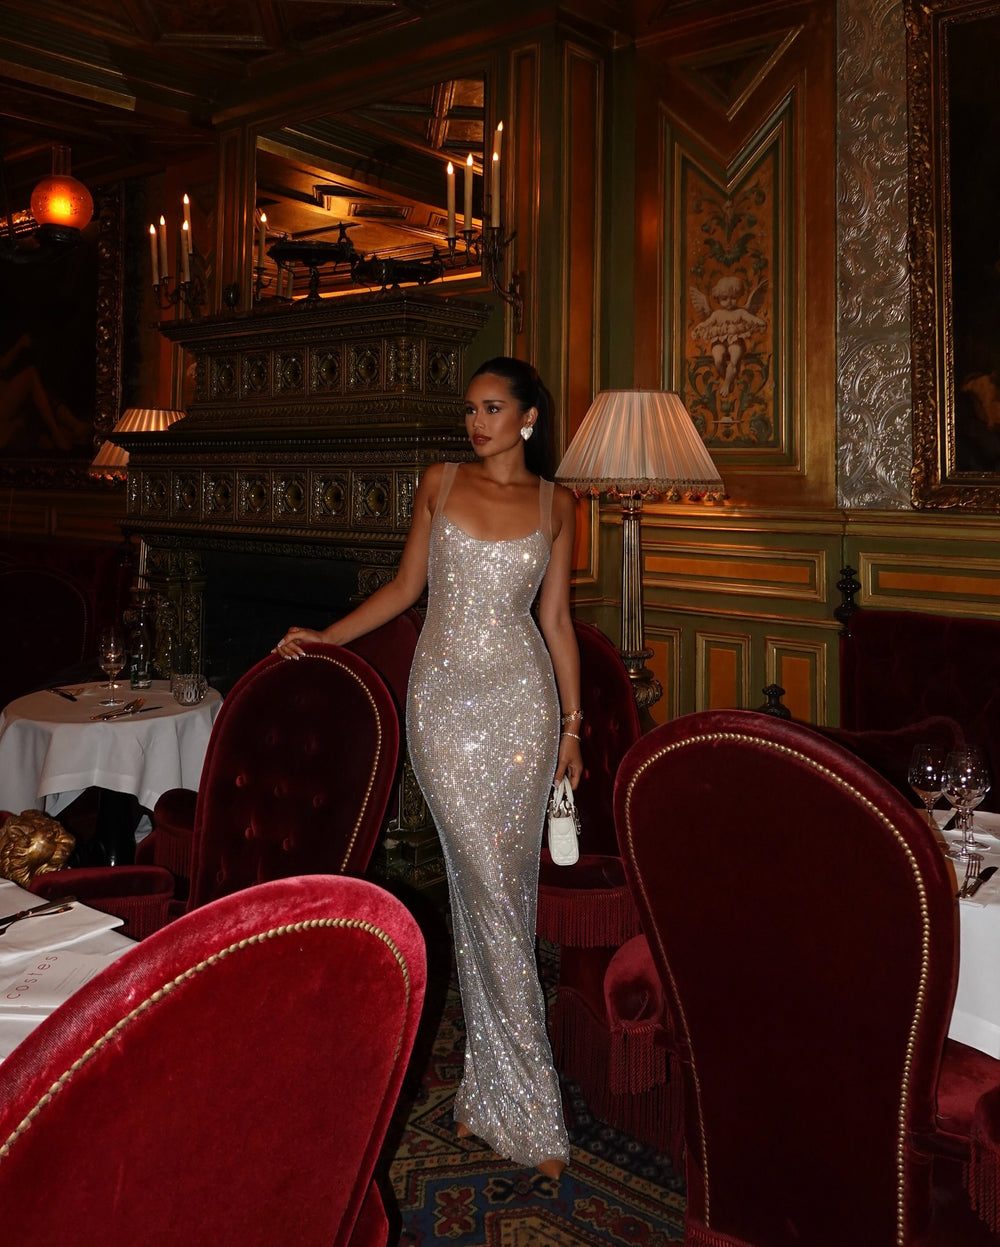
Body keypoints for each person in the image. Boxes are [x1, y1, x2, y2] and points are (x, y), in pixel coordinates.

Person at [274, 356, 582, 1179]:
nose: (475, 422)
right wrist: (327, 636)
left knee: (502, 892)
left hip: (522, 707)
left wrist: (574, 726)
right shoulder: (440, 482)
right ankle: (530, 1103)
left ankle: (493, 1094)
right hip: (443, 705)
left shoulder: (558, 504)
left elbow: (557, 620)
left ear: (528, 418)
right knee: (483, 884)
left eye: (493, 408)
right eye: (470, 409)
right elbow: (405, 587)